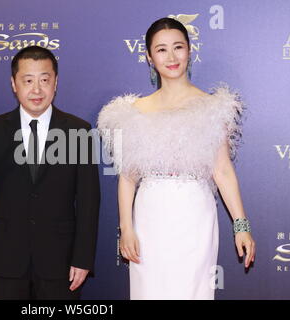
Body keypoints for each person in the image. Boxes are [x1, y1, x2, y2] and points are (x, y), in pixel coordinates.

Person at [97, 17, 255, 300]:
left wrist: (241, 226)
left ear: (190, 51)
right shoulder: (134, 111)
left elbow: (222, 170)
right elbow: (128, 177)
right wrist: (126, 229)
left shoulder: (212, 107)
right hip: (149, 219)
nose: (171, 57)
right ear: (148, 56)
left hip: (194, 216)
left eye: (178, 47)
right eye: (161, 49)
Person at [0, 46, 100, 300]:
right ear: (14, 84)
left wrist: (83, 258)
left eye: (44, 80)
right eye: (28, 80)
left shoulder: (78, 131)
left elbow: (88, 201)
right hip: (8, 259)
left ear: (56, 82)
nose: (36, 89)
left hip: (60, 262)